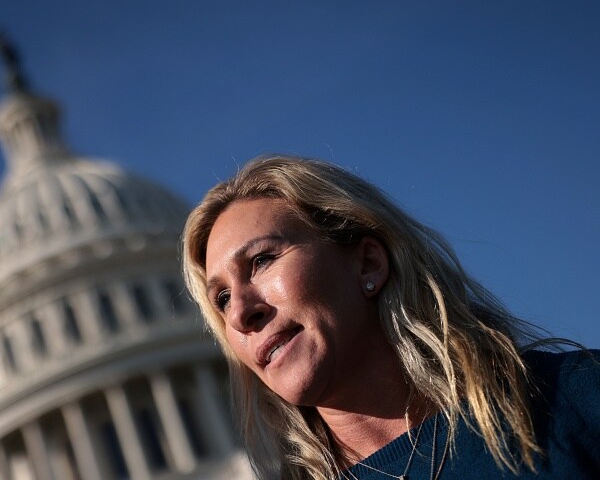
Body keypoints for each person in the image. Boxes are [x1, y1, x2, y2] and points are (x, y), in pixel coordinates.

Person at [182, 155, 599, 479]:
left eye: (262, 260)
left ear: (368, 265)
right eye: (220, 298)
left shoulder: (572, 403)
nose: (239, 312)